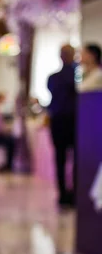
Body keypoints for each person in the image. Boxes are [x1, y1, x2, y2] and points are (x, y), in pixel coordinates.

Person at [47, 45, 77, 207]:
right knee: (69, 158)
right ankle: (69, 193)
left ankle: (65, 193)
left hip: (62, 121)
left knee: (61, 158)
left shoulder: (55, 78)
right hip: (70, 121)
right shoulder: (75, 76)